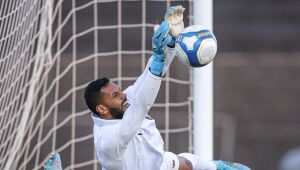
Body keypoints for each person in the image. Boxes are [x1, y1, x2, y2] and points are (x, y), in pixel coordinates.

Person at [45, 5, 251, 170]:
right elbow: (142, 105)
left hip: (159, 164)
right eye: (115, 95)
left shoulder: (122, 104)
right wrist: (160, 57)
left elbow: (150, 75)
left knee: (186, 162)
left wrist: (170, 47)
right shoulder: (108, 139)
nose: (123, 95)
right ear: (102, 109)